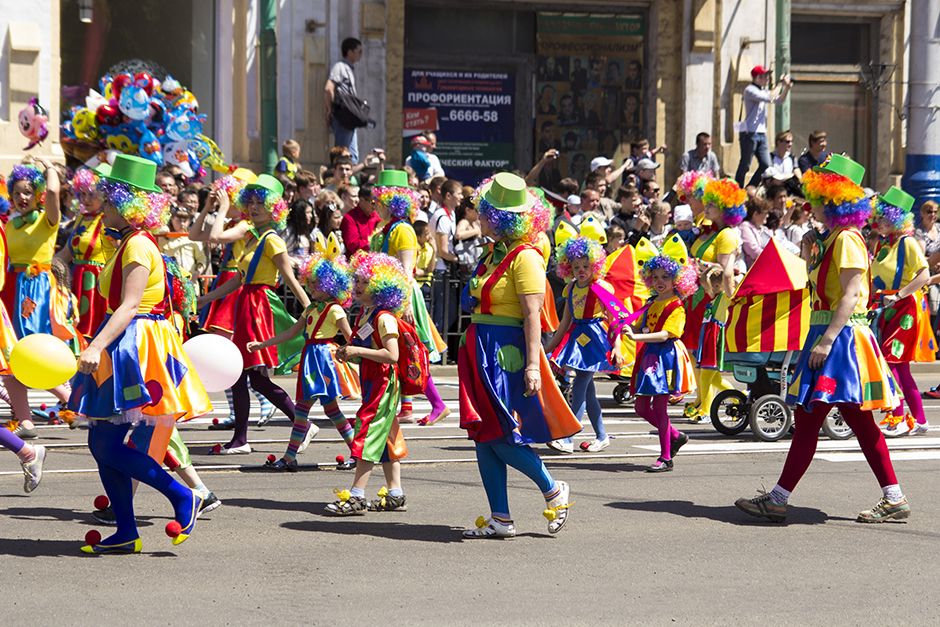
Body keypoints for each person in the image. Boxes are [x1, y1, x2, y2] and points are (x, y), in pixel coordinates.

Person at [736, 154, 910, 524]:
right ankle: (892, 497)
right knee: (847, 421)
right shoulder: (830, 239)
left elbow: (850, 295)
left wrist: (827, 341)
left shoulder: (847, 239)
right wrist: (807, 251)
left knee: (813, 417)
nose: (808, 204)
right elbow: (812, 286)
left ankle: (779, 499)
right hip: (829, 334)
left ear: (832, 200)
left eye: (815, 198)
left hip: (841, 339)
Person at [68, 154, 212, 554]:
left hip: (134, 345)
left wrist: (96, 345)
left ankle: (184, 495)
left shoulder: (136, 246)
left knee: (108, 444)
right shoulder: (128, 242)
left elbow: (129, 306)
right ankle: (127, 531)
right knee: (102, 442)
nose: (103, 207)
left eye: (109, 200)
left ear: (126, 203)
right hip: (126, 342)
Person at [458, 173, 578, 538]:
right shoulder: (492, 253)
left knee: (501, 436)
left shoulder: (525, 257)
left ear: (499, 217)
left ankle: (553, 489)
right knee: (483, 435)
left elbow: (532, 316)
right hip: (480, 349)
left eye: (484, 212)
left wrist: (532, 366)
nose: (478, 217)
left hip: (504, 354)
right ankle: (501, 518)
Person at [199, 174, 311, 454]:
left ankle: (300, 424)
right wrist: (207, 299)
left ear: (275, 209)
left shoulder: (272, 240)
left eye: (261, 203)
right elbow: (239, 279)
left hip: (258, 308)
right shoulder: (252, 238)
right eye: (250, 202)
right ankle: (242, 439)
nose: (254, 207)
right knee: (242, 375)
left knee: (254, 376)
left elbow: (290, 279)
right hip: (246, 305)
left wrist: (311, 310)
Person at [250, 236, 361, 472]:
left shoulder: (335, 310)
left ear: (330, 284)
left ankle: (293, 457)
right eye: (309, 282)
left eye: (315, 284)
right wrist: (263, 344)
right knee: (320, 411)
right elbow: (291, 332)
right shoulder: (310, 309)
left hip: (324, 360)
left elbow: (350, 336)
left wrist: (359, 353)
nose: (310, 287)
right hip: (310, 359)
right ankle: (353, 452)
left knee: (312, 410)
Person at [189, 171, 277, 430]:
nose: (225, 200)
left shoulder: (247, 226)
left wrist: (222, 208)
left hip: (237, 288)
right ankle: (235, 411)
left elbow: (216, 238)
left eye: (230, 196)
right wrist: (207, 208)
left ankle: (264, 399)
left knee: (233, 352)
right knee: (224, 351)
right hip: (226, 283)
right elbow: (194, 235)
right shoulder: (231, 223)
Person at [329, 252, 413, 515]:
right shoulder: (364, 315)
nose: (358, 285)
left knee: (367, 431)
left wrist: (357, 351)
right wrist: (350, 352)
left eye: (365, 282)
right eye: (357, 280)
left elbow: (392, 355)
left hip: (383, 381)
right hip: (372, 379)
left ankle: (357, 495)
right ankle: (395, 492)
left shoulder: (384, 318)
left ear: (381, 286)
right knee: (386, 434)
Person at [370, 170, 449, 425]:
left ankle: (437, 404)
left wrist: (404, 303)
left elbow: (406, 271)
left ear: (390, 202)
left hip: (400, 296)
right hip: (387, 296)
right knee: (399, 351)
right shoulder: (386, 230)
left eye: (378, 201)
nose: (374, 205)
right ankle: (406, 406)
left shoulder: (402, 230)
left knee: (407, 350)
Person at [545, 236, 623, 453]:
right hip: (577, 338)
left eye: (586, 266)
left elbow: (614, 319)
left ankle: (568, 437)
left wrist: (617, 346)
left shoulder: (600, 288)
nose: (581, 270)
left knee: (580, 384)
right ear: (568, 267)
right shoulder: (570, 288)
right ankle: (602, 436)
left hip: (595, 339)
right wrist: (548, 348)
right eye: (576, 266)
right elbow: (564, 323)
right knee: (588, 392)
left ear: (595, 265)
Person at [627, 236, 698, 471]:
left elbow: (666, 334)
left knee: (659, 408)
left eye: (665, 277)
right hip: (649, 356)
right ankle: (675, 436)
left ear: (676, 279)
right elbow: (642, 327)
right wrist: (628, 327)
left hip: (666, 358)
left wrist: (637, 337)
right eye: (655, 277)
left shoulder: (677, 306)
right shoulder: (651, 302)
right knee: (640, 407)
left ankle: (666, 457)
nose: (659, 281)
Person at [870, 187, 934, 437]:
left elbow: (924, 275)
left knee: (890, 362)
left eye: (884, 218)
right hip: (886, 308)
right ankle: (919, 420)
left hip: (905, 308)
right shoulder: (883, 244)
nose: (879, 222)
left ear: (897, 218)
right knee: (900, 368)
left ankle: (898, 417)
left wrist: (899, 295)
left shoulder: (908, 243)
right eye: (878, 217)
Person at [684, 179, 745, 423]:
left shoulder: (727, 235)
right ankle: (713, 398)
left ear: (726, 209)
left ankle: (706, 406)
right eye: (707, 203)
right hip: (696, 297)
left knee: (704, 355)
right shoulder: (709, 231)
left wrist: (698, 264)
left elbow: (725, 272)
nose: (706, 207)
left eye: (712, 205)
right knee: (694, 352)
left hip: (712, 299)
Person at [56, 167, 115, 339]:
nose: (85, 199)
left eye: (91, 194)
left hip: (97, 283)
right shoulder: (82, 218)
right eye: (82, 194)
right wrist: (44, 267)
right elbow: (66, 253)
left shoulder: (108, 220)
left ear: (104, 196)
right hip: (77, 279)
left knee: (94, 327)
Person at [734, 66, 792, 187]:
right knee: (745, 165)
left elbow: (779, 100)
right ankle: (737, 189)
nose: (767, 78)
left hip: (761, 133)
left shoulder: (763, 90)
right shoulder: (750, 90)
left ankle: (750, 187)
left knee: (766, 164)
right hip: (750, 133)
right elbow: (769, 97)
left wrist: (786, 88)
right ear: (757, 77)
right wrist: (781, 84)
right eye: (765, 76)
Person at [430, 179, 462, 340]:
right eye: (459, 193)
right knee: (442, 313)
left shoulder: (451, 215)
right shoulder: (442, 217)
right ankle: (436, 349)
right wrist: (459, 259)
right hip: (440, 270)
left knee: (449, 313)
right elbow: (443, 251)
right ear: (448, 196)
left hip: (445, 270)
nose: (461, 197)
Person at [324, 37, 364, 162]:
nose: (361, 54)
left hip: (350, 116)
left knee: (352, 155)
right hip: (343, 115)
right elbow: (328, 88)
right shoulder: (340, 67)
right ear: (350, 52)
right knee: (342, 154)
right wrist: (329, 109)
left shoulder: (349, 68)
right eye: (359, 51)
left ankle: (349, 172)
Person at [915, 200, 940, 336]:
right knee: (932, 310)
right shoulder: (919, 232)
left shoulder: (939, 228)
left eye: (935, 212)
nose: (933, 215)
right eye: (929, 212)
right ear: (922, 213)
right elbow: (920, 257)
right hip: (927, 274)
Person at [341, 184, 382, 258]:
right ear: (362, 200)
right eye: (373, 202)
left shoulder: (376, 216)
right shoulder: (349, 219)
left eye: (378, 202)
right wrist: (373, 244)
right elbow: (353, 244)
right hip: (357, 261)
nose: (376, 206)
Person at [738, 198, 773, 269]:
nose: (767, 216)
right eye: (765, 213)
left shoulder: (765, 229)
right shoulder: (745, 227)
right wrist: (773, 258)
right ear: (755, 214)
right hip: (757, 268)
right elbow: (753, 251)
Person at [284, 198, 316, 263]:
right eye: (307, 212)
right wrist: (295, 262)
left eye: (311, 212)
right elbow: (282, 254)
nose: (311, 216)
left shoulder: (306, 231)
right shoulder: (287, 232)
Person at [413, 220, 435, 295]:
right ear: (418, 237)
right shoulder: (413, 248)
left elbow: (431, 269)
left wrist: (435, 250)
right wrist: (425, 272)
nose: (429, 236)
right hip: (415, 283)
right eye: (426, 234)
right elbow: (415, 271)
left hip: (426, 283)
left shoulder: (429, 247)